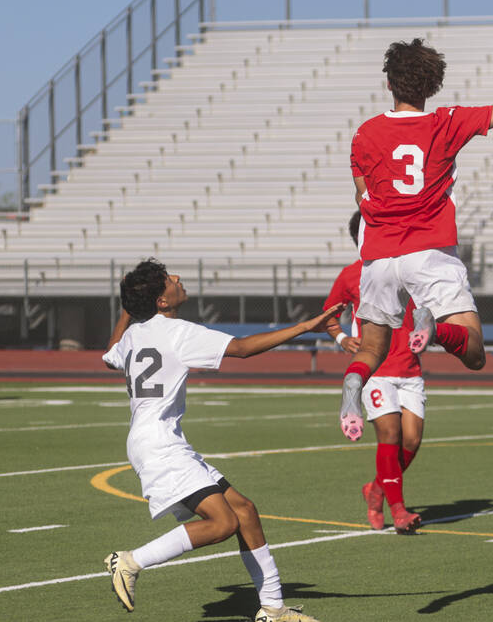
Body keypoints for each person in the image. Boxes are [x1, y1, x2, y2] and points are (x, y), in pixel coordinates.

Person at [337, 38, 493, 441]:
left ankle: (353, 384)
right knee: (473, 352)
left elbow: (360, 193)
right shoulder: (446, 122)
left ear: (389, 84)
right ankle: (435, 331)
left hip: (380, 257)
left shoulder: (364, 134)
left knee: (372, 349)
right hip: (430, 251)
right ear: (432, 85)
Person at [102, 258, 339, 620]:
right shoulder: (176, 331)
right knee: (223, 524)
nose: (177, 279)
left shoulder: (135, 335)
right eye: (168, 280)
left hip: (156, 441)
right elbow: (243, 349)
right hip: (160, 445)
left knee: (244, 511)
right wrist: (308, 326)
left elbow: (109, 353)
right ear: (161, 302)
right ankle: (131, 562)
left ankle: (273, 609)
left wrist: (127, 309)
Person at [326, 212, 426, 534]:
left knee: (411, 440)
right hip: (376, 370)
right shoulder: (352, 275)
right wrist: (343, 338)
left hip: (410, 369)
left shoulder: (411, 271)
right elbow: (328, 316)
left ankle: (376, 489)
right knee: (390, 435)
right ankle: (398, 511)